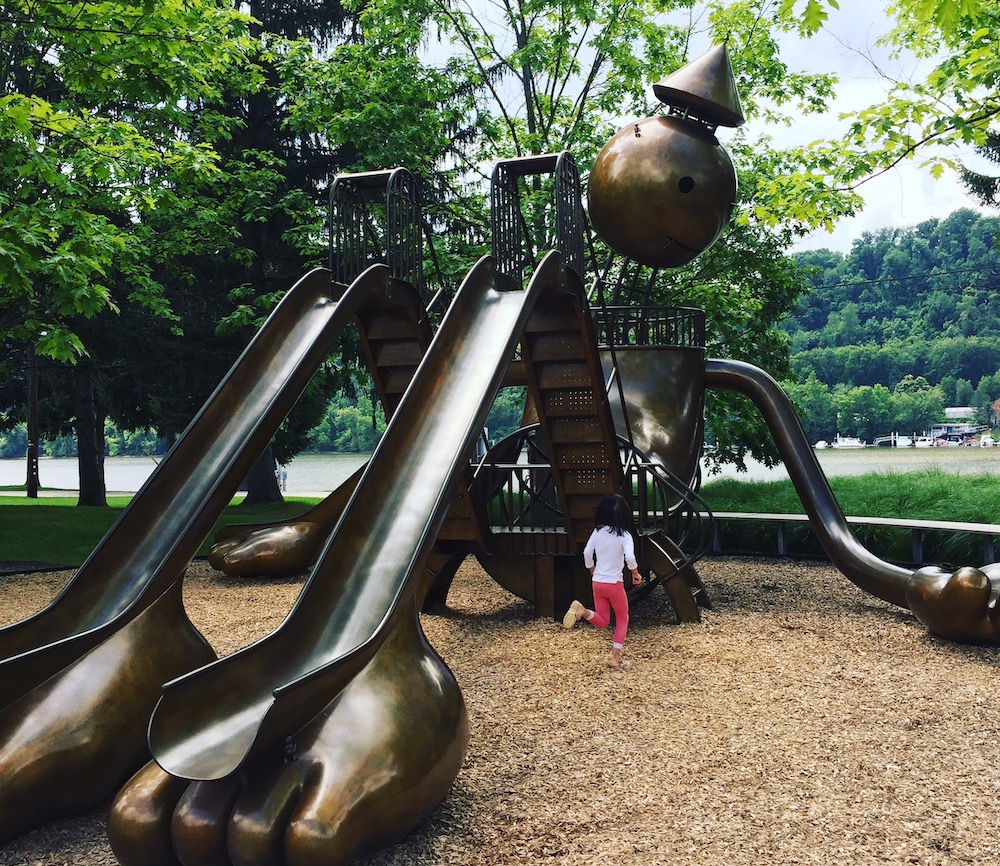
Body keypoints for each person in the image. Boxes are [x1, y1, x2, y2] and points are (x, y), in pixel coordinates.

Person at [562, 493, 641, 669]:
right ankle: (615, 658)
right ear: (624, 515)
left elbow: (587, 553)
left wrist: (592, 569)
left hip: (597, 582)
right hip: (614, 584)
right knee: (622, 619)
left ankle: (582, 611)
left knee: (603, 621)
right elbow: (629, 557)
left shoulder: (597, 532)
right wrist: (635, 573)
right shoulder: (625, 536)